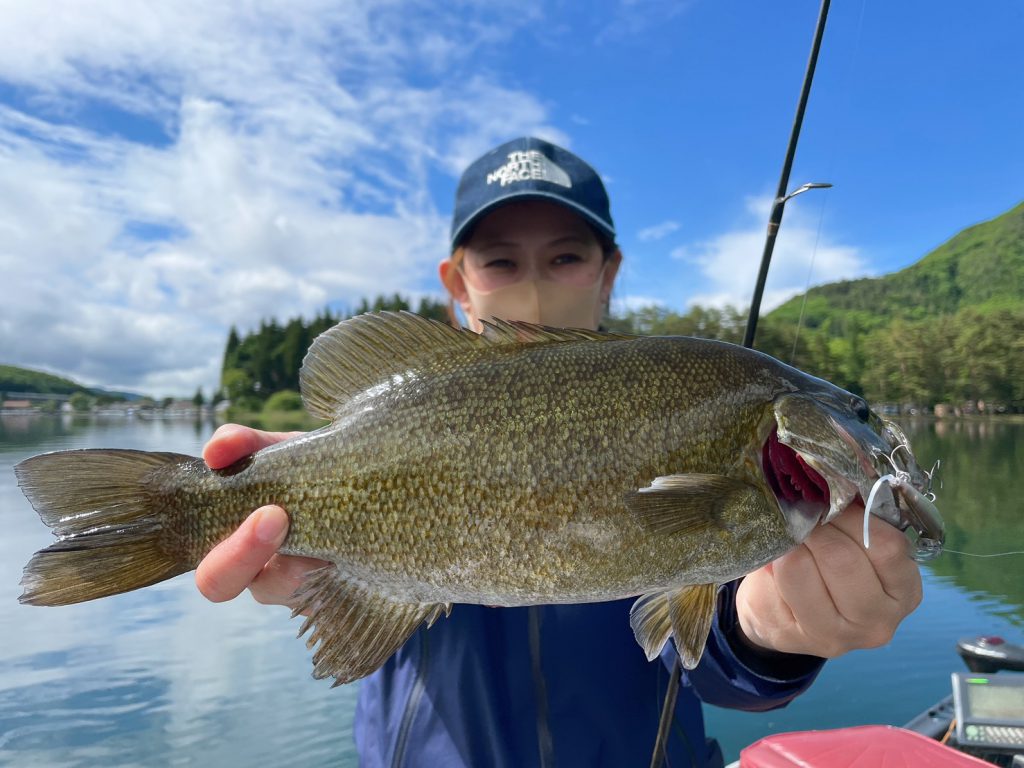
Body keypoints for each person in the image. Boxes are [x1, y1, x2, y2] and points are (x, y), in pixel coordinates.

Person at [195, 137, 923, 767]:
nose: (536, 285)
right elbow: (359, 614)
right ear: (457, 285)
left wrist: (775, 633)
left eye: (566, 256)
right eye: (502, 261)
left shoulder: (701, 408)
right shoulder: (411, 414)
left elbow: (717, 652)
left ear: (609, 271)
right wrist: (305, 552)